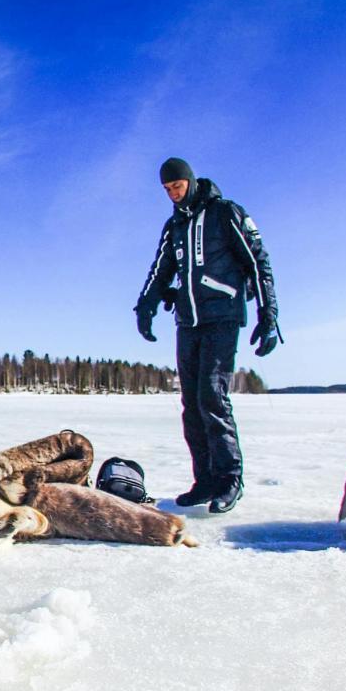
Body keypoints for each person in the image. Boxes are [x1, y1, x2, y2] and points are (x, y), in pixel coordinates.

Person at [133, 157, 280, 514]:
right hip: (188, 322)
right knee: (191, 405)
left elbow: (258, 261)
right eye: (167, 190)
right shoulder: (175, 225)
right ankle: (205, 481)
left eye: (177, 186)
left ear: (190, 180)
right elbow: (161, 269)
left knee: (212, 398)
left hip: (223, 317)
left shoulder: (225, 213)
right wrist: (146, 306)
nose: (172, 193)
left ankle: (230, 479)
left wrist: (268, 314)